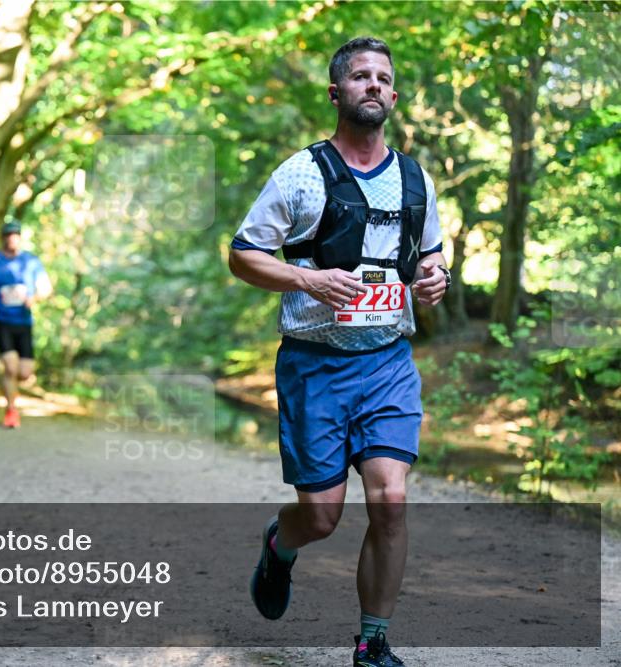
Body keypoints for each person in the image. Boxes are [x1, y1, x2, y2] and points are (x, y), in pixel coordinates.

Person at [228, 37, 450, 667]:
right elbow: (243, 253)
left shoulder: (414, 178)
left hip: (386, 363)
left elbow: (428, 256)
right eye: (360, 76)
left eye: (383, 77)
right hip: (314, 364)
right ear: (337, 93)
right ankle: (280, 547)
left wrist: (436, 277)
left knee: (390, 500)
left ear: (394, 95)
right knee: (321, 517)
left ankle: (372, 641)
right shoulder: (301, 174)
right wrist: (307, 278)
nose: (373, 85)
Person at [0, 219, 52, 429]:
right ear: (2, 238)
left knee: (24, 372)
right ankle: (11, 409)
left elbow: (46, 288)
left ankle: (11, 386)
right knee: (10, 366)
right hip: (1, 321)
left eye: (15, 234)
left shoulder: (31, 262)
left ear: (20, 237)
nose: (12, 238)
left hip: (23, 322)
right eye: (8, 235)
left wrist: (33, 299)